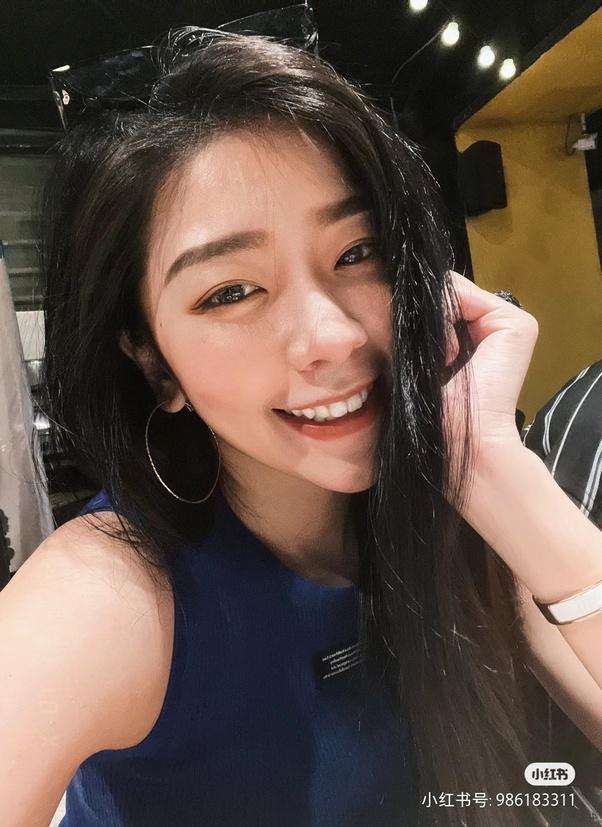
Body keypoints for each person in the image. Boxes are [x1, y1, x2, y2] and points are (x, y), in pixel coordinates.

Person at [1, 19, 601, 827]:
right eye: (230, 292)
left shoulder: (447, 520)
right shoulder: (111, 594)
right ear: (153, 363)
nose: (333, 336)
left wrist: (489, 467)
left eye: (357, 252)